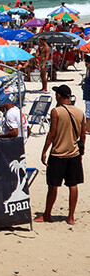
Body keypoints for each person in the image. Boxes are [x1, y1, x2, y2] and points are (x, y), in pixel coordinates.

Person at [34, 85, 86, 225]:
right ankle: (70, 217)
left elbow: (52, 134)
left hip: (58, 153)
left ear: (58, 96)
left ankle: (47, 215)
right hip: (73, 153)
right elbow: (82, 136)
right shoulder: (80, 112)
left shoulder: (56, 111)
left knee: (53, 185)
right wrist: (82, 152)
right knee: (73, 185)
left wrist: (44, 151)